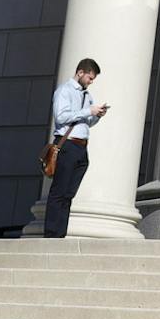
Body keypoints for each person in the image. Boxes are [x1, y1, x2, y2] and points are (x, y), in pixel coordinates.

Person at [44, 58, 107, 238]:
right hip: (67, 144)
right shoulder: (64, 91)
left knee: (68, 194)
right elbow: (61, 117)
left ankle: (60, 234)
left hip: (81, 147)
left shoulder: (87, 95)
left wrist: (98, 115)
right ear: (80, 73)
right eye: (90, 77)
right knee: (59, 191)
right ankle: (51, 234)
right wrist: (89, 111)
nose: (91, 82)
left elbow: (86, 123)